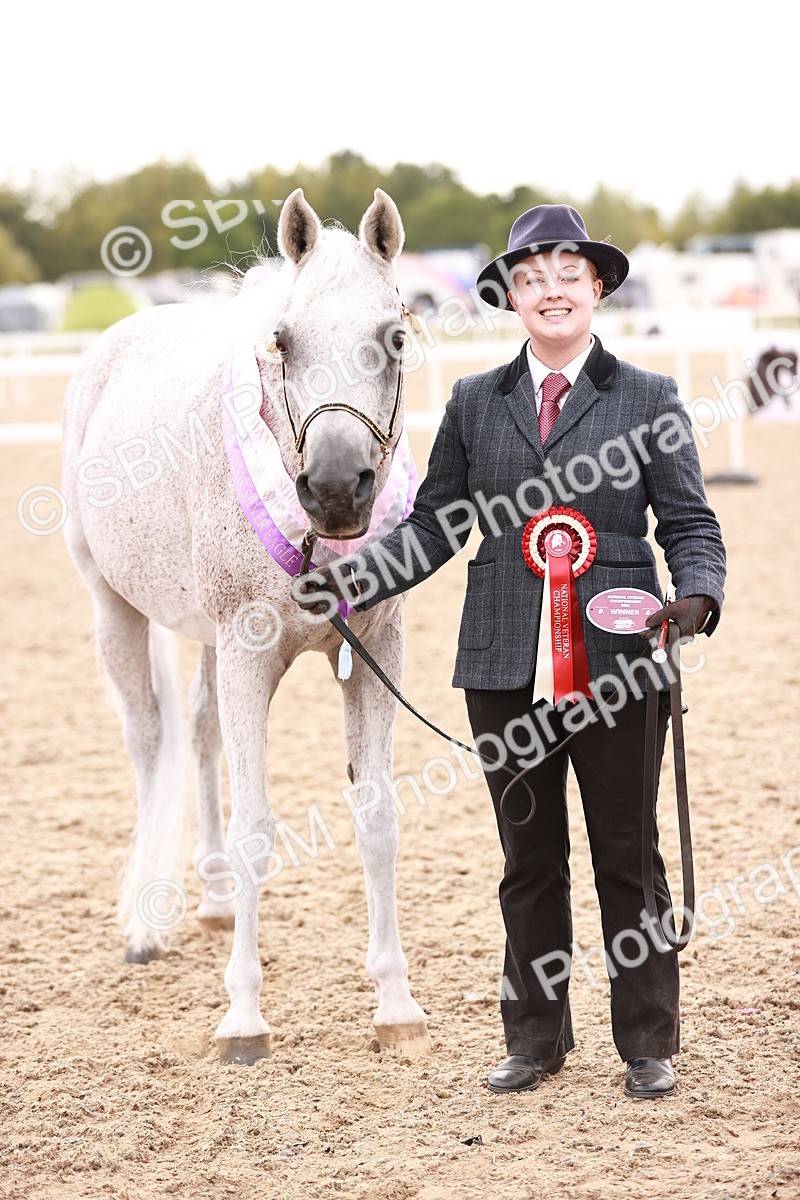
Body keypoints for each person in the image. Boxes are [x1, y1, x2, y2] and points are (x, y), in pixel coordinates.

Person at [294, 204, 726, 1099]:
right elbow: (433, 528)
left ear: (597, 287)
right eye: (531, 279)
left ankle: (646, 1040)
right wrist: (351, 583)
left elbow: (689, 522)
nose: (551, 291)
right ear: (511, 299)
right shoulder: (472, 403)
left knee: (625, 852)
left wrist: (696, 594)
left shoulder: (648, 399)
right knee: (527, 861)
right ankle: (534, 1039)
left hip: (621, 661)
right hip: (501, 666)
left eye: (569, 275)